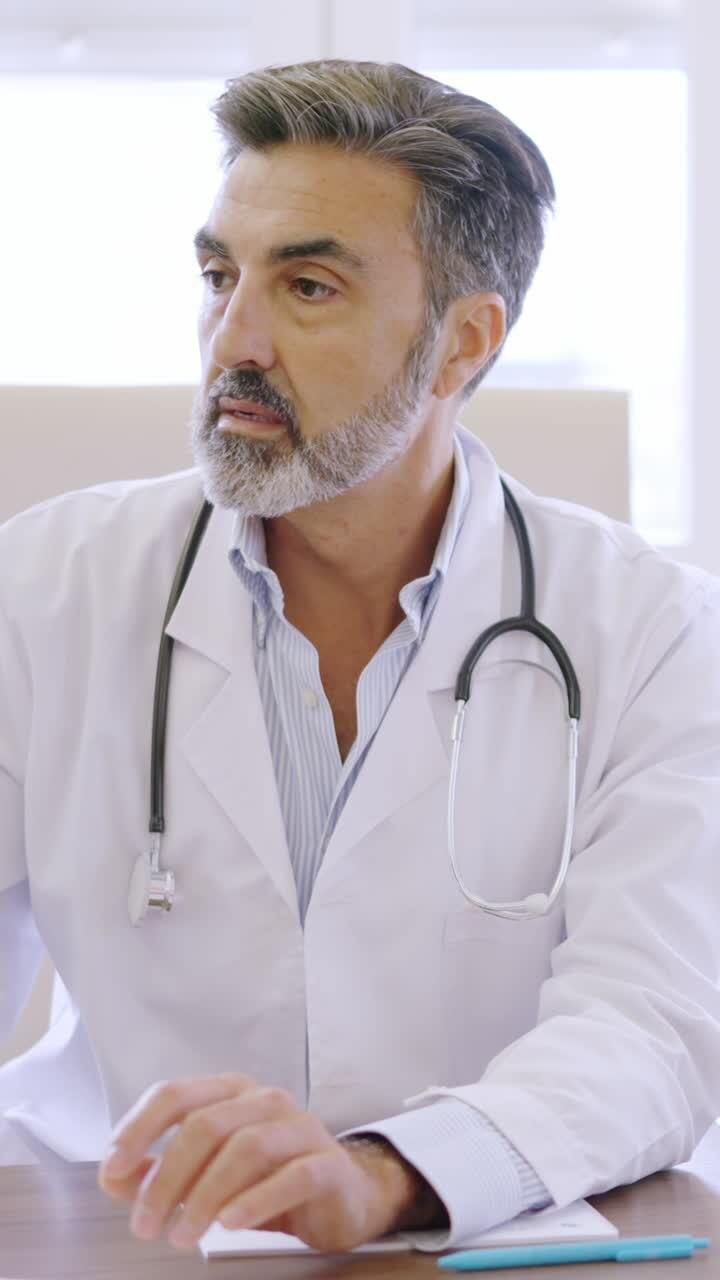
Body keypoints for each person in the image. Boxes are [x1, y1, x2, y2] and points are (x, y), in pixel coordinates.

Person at [1, 58, 720, 1254]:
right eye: (218, 276)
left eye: (310, 286)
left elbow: (656, 1023)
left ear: (462, 345)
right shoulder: (41, 587)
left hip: (496, 1230)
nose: (234, 339)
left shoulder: (651, 627)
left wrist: (386, 1171)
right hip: (114, 1226)